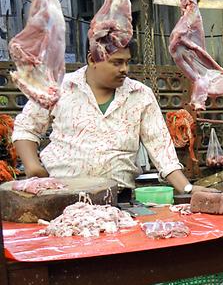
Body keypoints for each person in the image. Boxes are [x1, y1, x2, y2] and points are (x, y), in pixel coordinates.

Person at [12, 44, 196, 198]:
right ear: (92, 59)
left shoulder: (140, 95)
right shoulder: (58, 88)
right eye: (117, 62)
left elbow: (161, 148)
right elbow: (26, 128)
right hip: (61, 196)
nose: (125, 69)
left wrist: (188, 189)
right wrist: (33, 167)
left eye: (127, 62)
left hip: (118, 198)